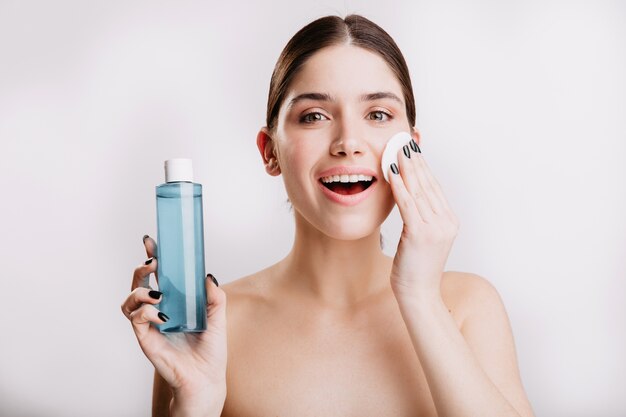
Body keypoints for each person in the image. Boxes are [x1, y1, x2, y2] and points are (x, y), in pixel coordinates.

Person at [121, 14, 535, 417]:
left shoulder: (467, 307)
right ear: (270, 151)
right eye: (314, 116)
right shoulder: (210, 329)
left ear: (413, 147)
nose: (348, 142)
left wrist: (420, 298)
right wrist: (196, 404)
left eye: (377, 115)